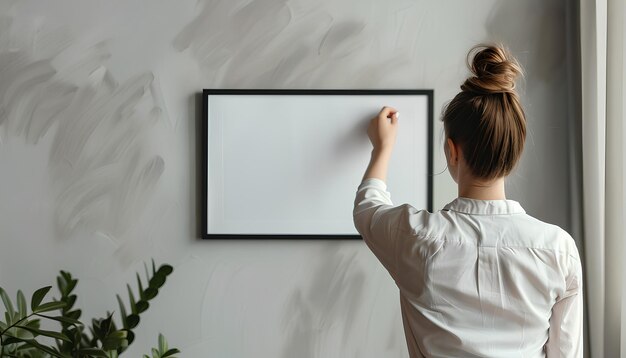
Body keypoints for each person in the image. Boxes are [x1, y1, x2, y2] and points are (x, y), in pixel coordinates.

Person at [353, 44, 583, 357]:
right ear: (515, 151)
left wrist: (382, 149)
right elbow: (564, 352)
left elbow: (368, 208)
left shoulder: (416, 237)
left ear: (452, 150)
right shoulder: (558, 249)